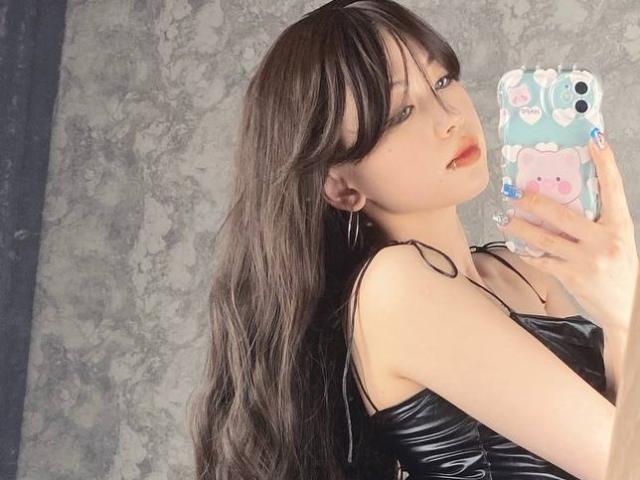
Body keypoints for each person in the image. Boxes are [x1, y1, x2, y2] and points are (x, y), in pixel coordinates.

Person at [187, 1, 639, 479]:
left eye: (442, 80)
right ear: (342, 187)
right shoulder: (396, 288)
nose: (449, 116)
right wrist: (625, 302)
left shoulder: (522, 270)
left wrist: (621, 313)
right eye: (400, 112)